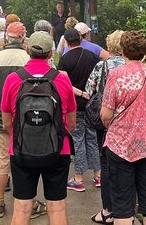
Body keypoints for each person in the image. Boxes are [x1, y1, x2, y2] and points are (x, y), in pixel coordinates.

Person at [1, 31, 77, 225]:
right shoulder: (62, 79)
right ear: (51, 53)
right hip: (58, 149)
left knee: (22, 206)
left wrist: (20, 137)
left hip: (21, 149)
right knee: (57, 206)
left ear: (27, 49)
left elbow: (7, 121)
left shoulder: (12, 79)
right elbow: (71, 122)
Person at [100, 31, 146, 225]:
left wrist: (111, 124)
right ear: (145, 51)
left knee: (122, 205)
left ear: (123, 50)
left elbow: (106, 113)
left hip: (121, 145)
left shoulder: (116, 74)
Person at [0, 22, 46, 219]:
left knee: (2, 162)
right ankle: (31, 203)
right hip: (28, 122)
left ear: (5, 38)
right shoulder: (28, 58)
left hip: (4, 120)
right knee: (24, 163)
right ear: (24, 37)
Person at [85, 30, 126, 224]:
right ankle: (127, 210)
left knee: (106, 163)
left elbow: (89, 90)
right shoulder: (134, 66)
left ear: (110, 46)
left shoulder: (101, 66)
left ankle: (108, 210)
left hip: (106, 120)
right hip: (128, 122)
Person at [57, 28, 101, 192]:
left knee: (77, 140)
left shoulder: (64, 59)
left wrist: (80, 93)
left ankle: (79, 178)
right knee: (92, 139)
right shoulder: (93, 56)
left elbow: (64, 84)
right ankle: (98, 175)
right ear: (81, 39)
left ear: (67, 42)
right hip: (93, 105)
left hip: (74, 104)